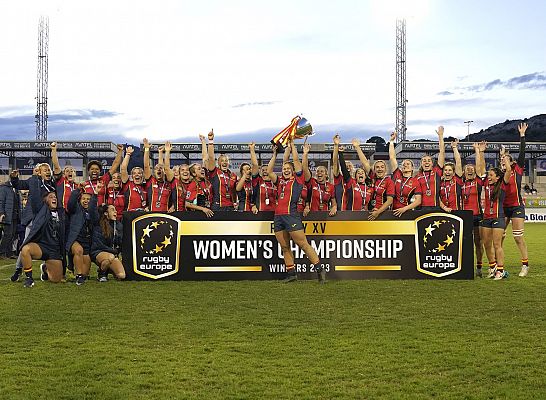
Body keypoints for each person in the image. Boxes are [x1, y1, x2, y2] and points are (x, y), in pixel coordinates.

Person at [267, 140, 322, 283]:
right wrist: (274, 154)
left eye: (287, 168)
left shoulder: (298, 180)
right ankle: (291, 274)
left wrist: (293, 148)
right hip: (278, 217)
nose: (285, 170)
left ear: (292, 171)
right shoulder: (279, 181)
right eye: (284, 168)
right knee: (285, 247)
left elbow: (296, 160)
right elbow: (269, 171)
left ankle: (319, 270)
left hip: (291, 215)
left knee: (303, 244)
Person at [19, 177, 66, 287]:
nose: (54, 198)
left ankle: (45, 269)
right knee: (25, 249)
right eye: (51, 197)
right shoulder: (40, 210)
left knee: (56, 280)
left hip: (55, 249)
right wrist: (37, 177)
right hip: (41, 246)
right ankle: (29, 278)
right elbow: (35, 195)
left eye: (55, 197)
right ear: (45, 200)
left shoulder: (62, 213)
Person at [501, 122, 529, 277]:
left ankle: (525, 265)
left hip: (516, 206)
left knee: (518, 237)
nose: (504, 162)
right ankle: (499, 266)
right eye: (502, 160)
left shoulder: (517, 170)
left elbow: (522, 153)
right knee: (499, 237)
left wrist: (522, 136)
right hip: (503, 208)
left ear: (512, 163)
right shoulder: (499, 174)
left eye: (506, 160)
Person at [480, 158, 511, 280]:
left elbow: (508, 170)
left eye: (491, 175)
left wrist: (504, 158)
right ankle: (492, 268)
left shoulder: (503, 184)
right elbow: (481, 168)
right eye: (488, 175)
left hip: (498, 217)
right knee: (487, 244)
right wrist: (480, 152)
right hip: (487, 217)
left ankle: (500, 270)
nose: (489, 176)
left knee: (497, 244)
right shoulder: (486, 183)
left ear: (497, 177)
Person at [462, 142, 486, 277]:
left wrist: (478, 151)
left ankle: (479, 267)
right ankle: (465, 266)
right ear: (464, 172)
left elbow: (480, 167)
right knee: (465, 243)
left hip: (477, 216)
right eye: (468, 169)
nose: (470, 170)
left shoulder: (478, 181)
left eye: (472, 168)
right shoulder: (460, 183)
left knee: (478, 242)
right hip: (464, 217)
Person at [66, 184, 96, 285]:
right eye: (83, 198)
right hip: (75, 239)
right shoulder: (75, 209)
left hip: (86, 241)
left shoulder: (93, 213)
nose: (86, 201)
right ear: (79, 200)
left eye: (88, 199)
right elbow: (70, 203)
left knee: (85, 273)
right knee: (78, 250)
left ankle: (81, 274)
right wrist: (77, 190)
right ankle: (78, 276)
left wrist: (95, 196)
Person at [387, 132, 422, 216]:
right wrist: (391, 141)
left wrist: (404, 209)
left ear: (412, 168)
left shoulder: (415, 181)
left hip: (406, 212)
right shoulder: (397, 174)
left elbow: (418, 201)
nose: (405, 165)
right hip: (391, 211)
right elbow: (392, 157)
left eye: (407, 164)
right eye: (403, 164)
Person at [90, 203, 125, 282]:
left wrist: (119, 250)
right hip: (98, 252)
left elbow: (120, 242)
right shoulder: (99, 224)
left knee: (121, 275)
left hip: (112, 254)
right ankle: (101, 274)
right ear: (106, 213)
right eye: (112, 210)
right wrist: (113, 251)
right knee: (110, 257)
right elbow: (99, 245)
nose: (115, 212)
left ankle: (108, 269)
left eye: (115, 210)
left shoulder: (118, 225)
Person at [302, 143, 337, 216]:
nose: (319, 173)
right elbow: (305, 169)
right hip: (311, 215)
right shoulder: (312, 182)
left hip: (325, 216)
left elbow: (334, 203)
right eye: (317, 171)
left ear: (326, 174)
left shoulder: (331, 186)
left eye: (321, 171)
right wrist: (305, 154)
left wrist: (334, 207)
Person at [206, 130, 238, 211]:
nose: (224, 162)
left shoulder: (232, 175)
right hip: (217, 207)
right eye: (222, 161)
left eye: (226, 161)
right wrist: (210, 141)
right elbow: (211, 158)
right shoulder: (214, 172)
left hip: (230, 207)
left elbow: (235, 191)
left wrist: (235, 202)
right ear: (218, 163)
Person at [415, 126, 446, 210]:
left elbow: (442, 152)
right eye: (424, 161)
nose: (426, 162)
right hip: (421, 208)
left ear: (432, 163)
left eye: (428, 160)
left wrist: (440, 136)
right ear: (421, 164)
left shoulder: (437, 171)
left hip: (436, 206)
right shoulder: (417, 176)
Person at [338, 143, 373, 211]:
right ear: (355, 176)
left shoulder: (370, 188)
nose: (360, 174)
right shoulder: (351, 183)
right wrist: (340, 153)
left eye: (362, 173)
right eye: (358, 173)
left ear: (365, 177)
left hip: (364, 217)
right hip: (351, 215)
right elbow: (344, 169)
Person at [185, 135, 214, 217]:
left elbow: (205, 158)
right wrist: (202, 209)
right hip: (199, 215)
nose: (202, 170)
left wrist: (204, 142)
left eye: (201, 168)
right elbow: (186, 203)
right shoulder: (193, 184)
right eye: (198, 169)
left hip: (210, 211)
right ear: (194, 174)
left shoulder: (207, 179)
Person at [145, 141, 174, 212]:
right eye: (156, 169)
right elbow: (146, 166)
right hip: (151, 214)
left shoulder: (169, 182)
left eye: (161, 169)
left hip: (166, 215)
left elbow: (165, 167)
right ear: (153, 172)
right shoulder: (151, 181)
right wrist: (146, 149)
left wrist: (166, 152)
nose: (158, 170)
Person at [249, 142, 276, 213]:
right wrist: (252, 150)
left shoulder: (276, 182)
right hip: (260, 213)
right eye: (263, 170)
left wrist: (275, 154)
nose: (264, 171)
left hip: (275, 214)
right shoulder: (258, 181)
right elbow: (255, 165)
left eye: (266, 170)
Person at [121, 144, 149, 211]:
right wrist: (128, 154)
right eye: (134, 173)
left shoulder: (146, 187)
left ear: (142, 175)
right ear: (132, 176)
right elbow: (123, 169)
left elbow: (146, 166)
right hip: (130, 215)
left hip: (143, 215)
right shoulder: (128, 184)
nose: (137, 175)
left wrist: (148, 207)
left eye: (139, 173)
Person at [0, 170, 21, 259]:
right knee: (7, 234)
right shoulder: (4, 188)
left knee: (12, 234)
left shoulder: (16, 188)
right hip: (8, 215)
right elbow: (1, 202)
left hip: (15, 215)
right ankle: (2, 253)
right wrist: (1, 213)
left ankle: (9, 253)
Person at [439, 139, 463, 213]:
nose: (447, 172)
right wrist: (444, 207)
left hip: (456, 212)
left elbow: (458, 161)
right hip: (442, 211)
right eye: (445, 170)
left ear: (453, 172)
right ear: (443, 172)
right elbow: (437, 198)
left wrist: (454, 148)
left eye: (450, 170)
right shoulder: (439, 182)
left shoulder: (457, 180)